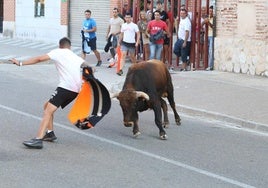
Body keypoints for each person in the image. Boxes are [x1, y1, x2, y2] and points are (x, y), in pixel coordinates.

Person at [9, 37, 87, 149]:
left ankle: (38, 139)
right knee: (47, 105)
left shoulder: (58, 52)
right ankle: (50, 133)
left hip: (65, 88)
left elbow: (40, 59)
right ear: (69, 47)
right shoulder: (75, 56)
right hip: (75, 90)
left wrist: (20, 63)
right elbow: (88, 66)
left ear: (60, 45)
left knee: (48, 110)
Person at [202, 5, 214, 71]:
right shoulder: (208, 17)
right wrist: (204, 22)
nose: (210, 12)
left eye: (211, 11)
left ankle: (210, 65)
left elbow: (213, 27)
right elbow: (201, 24)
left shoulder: (214, 18)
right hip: (207, 36)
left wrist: (208, 22)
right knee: (205, 50)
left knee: (210, 51)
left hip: (212, 36)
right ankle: (205, 64)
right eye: (209, 11)